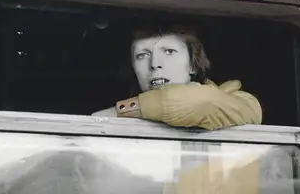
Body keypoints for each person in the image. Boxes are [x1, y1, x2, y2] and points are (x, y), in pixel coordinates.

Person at [92, 24, 263, 131]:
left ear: (193, 65)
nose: (154, 64)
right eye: (142, 55)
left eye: (169, 52)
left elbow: (203, 101)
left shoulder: (241, 101)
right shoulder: (124, 126)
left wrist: (120, 111)